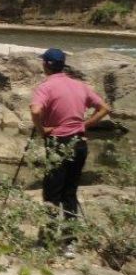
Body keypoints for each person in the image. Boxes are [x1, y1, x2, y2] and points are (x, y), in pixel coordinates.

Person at [30, 48, 110, 254]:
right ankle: (70, 242)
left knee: (52, 193)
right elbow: (105, 108)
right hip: (79, 143)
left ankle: (46, 240)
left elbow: (36, 110)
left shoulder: (45, 87)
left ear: (47, 65)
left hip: (57, 143)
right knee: (70, 193)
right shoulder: (79, 85)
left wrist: (42, 130)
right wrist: (85, 125)